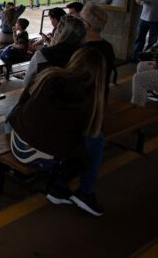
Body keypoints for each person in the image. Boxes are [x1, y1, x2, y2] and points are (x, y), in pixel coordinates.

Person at [7, 47, 108, 216]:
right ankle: (84, 192)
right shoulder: (89, 97)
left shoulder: (49, 76)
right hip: (39, 156)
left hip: (16, 142)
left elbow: (22, 102)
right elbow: (76, 137)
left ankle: (60, 188)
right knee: (96, 139)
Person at [23, 15, 86, 88]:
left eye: (57, 29)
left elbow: (27, 82)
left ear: (60, 33)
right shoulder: (84, 54)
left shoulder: (41, 55)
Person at [81, 2, 116, 97]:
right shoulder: (108, 47)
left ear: (86, 25)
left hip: (84, 103)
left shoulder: (83, 50)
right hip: (100, 100)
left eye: (81, 19)